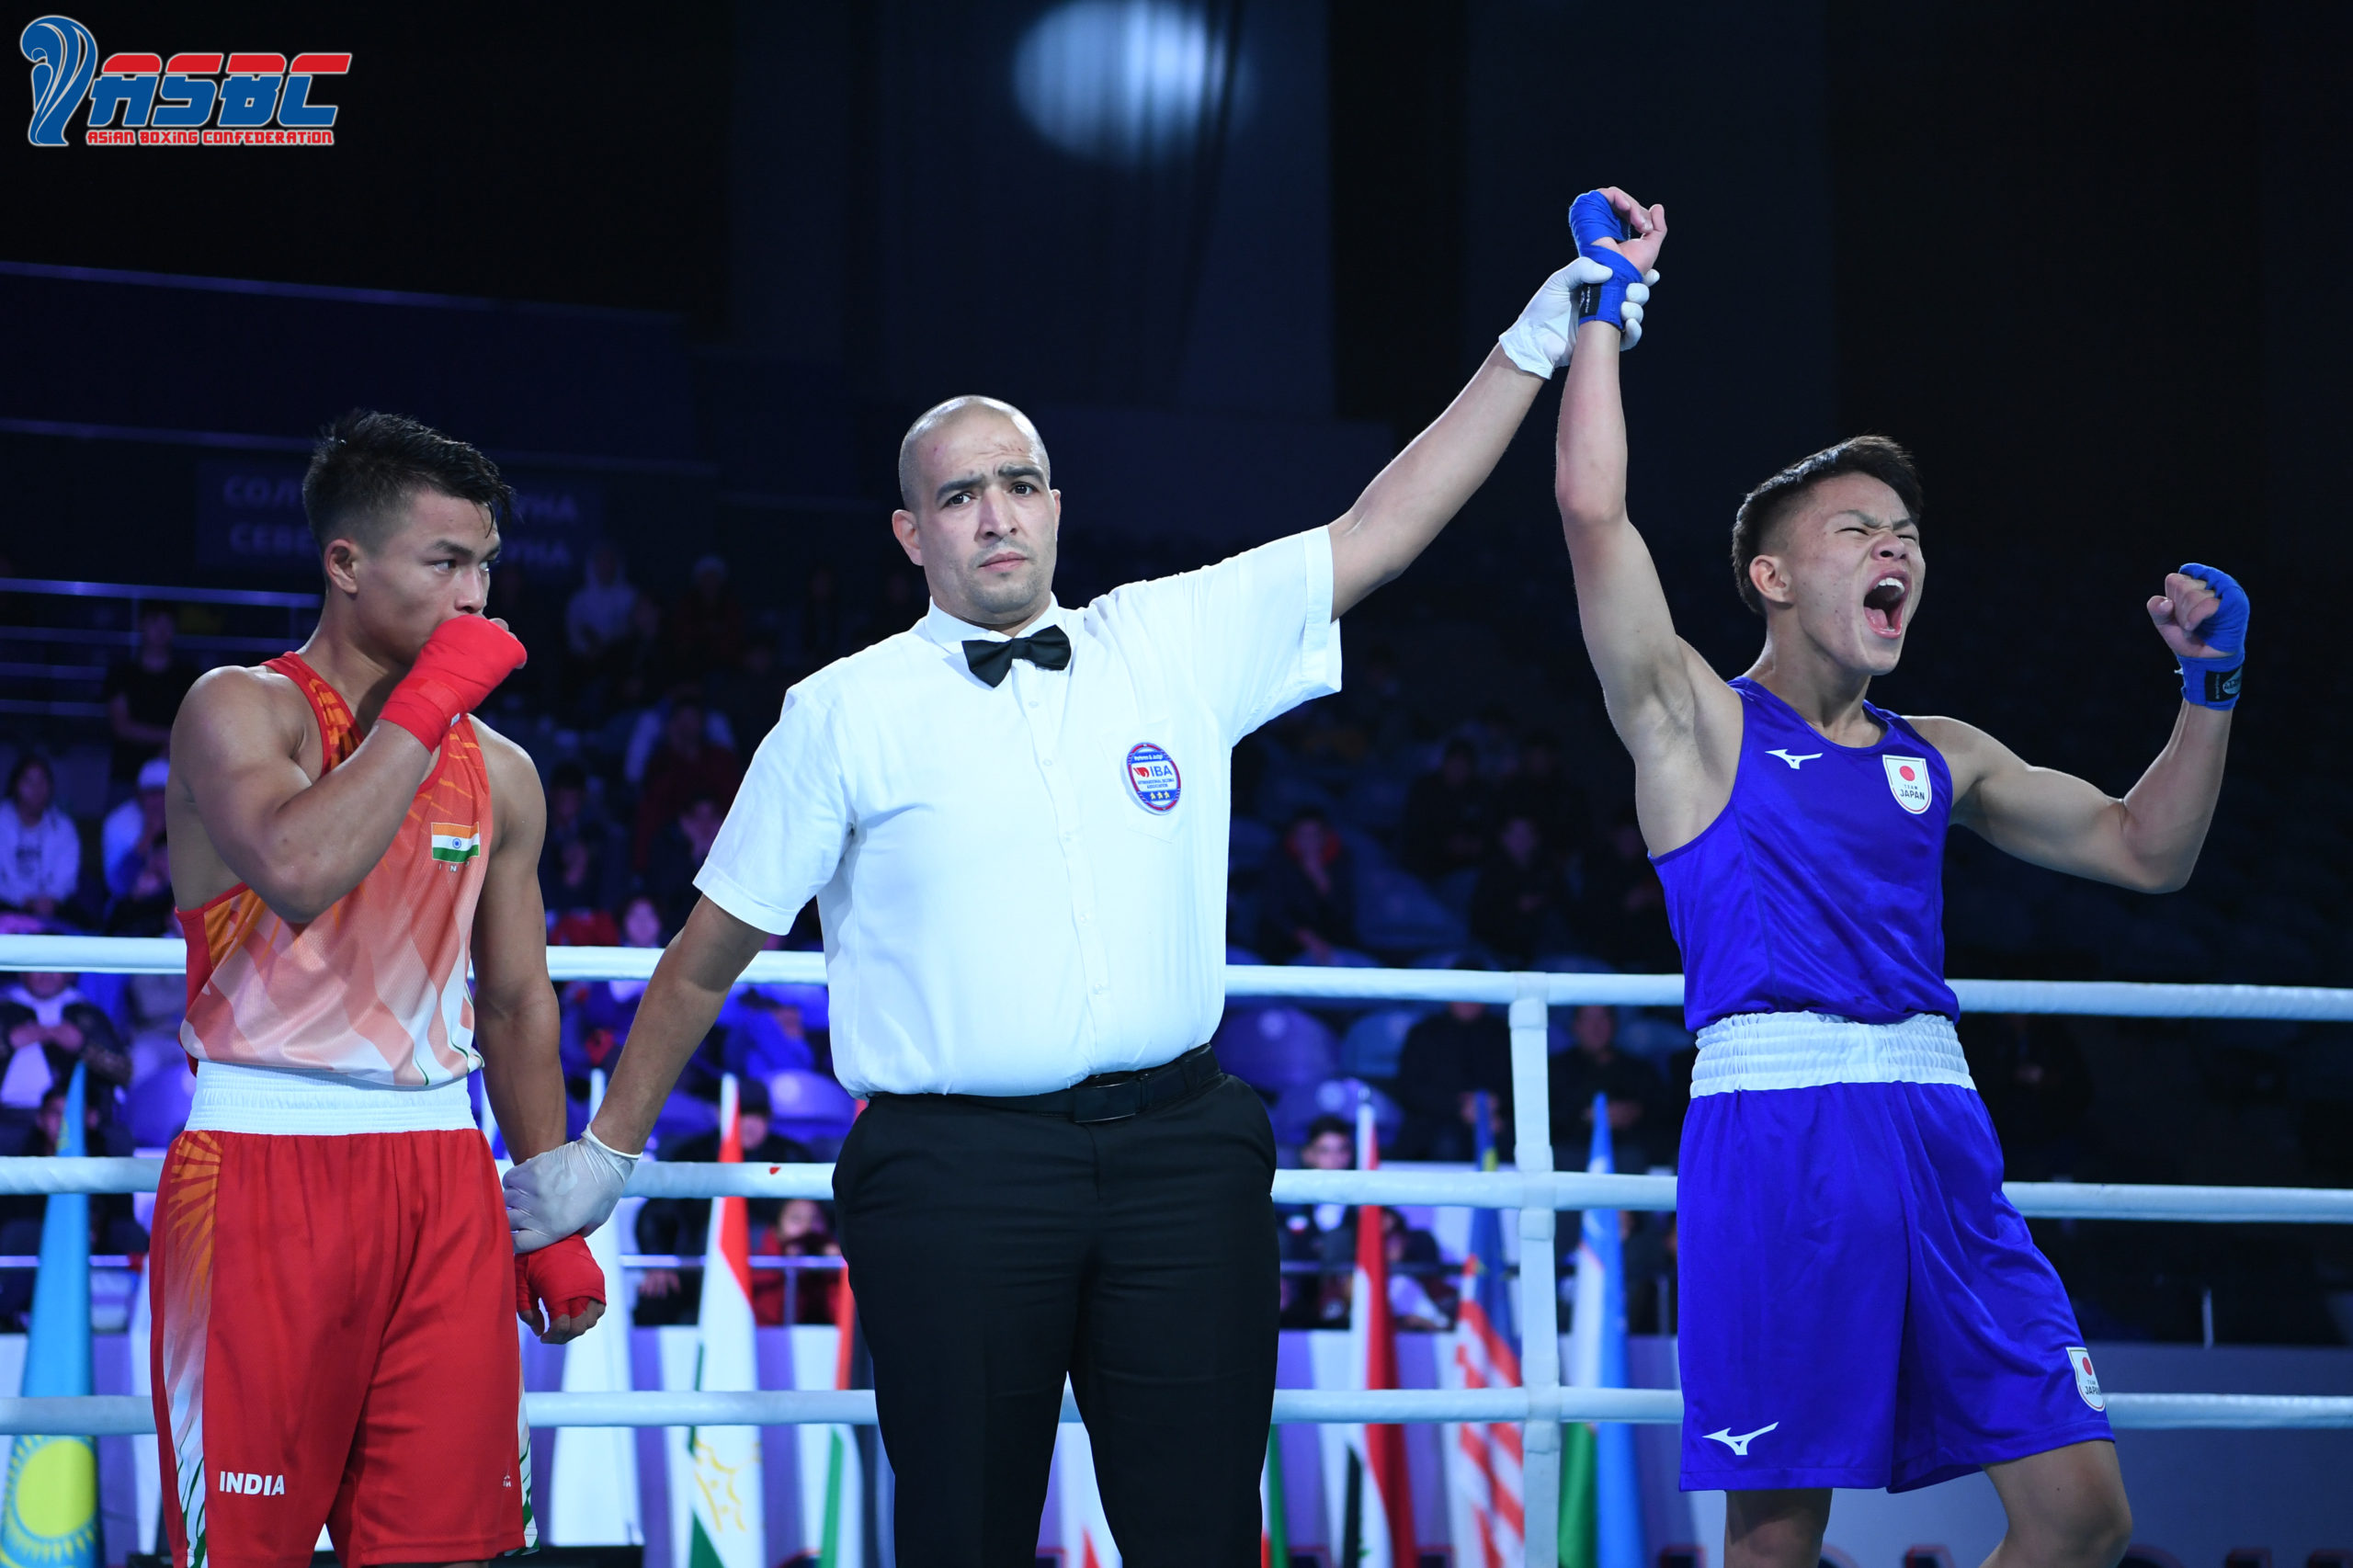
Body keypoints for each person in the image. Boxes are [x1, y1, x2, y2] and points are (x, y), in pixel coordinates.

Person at [505, 234, 1654, 1565]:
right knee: (962, 1532)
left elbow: (1384, 526)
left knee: (1203, 1531)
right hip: (952, 1174)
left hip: (1182, 1153)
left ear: (1057, 503)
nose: (995, 512)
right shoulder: (839, 714)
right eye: (960, 494)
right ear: (911, 530)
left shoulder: (1169, 637)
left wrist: (1532, 337)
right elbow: (705, 958)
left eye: (1019, 483)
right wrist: (610, 1149)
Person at [1553, 185, 2234, 1564]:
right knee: (1777, 1536)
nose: (1897, 547)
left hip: (1943, 1128)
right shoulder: (1699, 723)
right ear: (1769, 575)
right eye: (1859, 528)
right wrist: (1604, 310)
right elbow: (1590, 508)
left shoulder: (1946, 752)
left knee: (2080, 1512)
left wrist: (2208, 688)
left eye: (1908, 534)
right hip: (1781, 1131)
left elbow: (2144, 850)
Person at [153, 409, 606, 1568]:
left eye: (489, 563)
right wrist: (427, 703)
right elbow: (299, 869)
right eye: (445, 561)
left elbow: (513, 1003)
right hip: (263, 1165)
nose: (477, 593)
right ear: (343, 563)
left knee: (449, 1548)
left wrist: (547, 1197)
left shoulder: (501, 771)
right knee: (243, 1550)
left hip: (443, 1177)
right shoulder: (240, 708)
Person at [0, 971, 132, 1157]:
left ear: (70, 973)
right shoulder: (4, 1011)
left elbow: (124, 1072)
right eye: (38, 967)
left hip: (75, 1117)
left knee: (118, 1141)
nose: (46, 975)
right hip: (8, 1116)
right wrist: (7, 1043)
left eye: (54, 968)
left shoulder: (88, 1014)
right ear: (22, 972)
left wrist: (83, 1046)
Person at [1391, 987, 1513, 1162]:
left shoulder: (1504, 1034)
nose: (1469, 1003)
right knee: (1444, 1143)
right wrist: (1459, 1107)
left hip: (1496, 1118)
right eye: (1463, 996)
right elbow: (1408, 1088)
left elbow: (1524, 1086)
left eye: (1475, 996)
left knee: (1518, 1142)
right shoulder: (1425, 1032)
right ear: (1449, 998)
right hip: (1434, 1120)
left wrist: (1496, 1102)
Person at [1546, 1003, 1667, 1171]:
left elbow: (1662, 1114)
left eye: (1603, 1018)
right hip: (1571, 1155)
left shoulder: (1639, 1070)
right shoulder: (1555, 1069)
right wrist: (1587, 1116)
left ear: (1615, 1024)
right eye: (1588, 1019)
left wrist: (1634, 1113)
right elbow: (1546, 1118)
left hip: (1629, 1157)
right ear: (1575, 1026)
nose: (1596, 1027)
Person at [103, 605, 199, 790]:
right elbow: (122, 727)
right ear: (141, 625)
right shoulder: (121, 674)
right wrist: (168, 736)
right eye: (155, 622)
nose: (161, 630)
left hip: (174, 774)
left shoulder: (188, 676)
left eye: (167, 623)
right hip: (127, 773)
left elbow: (195, 726)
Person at [1255, 807, 1358, 962]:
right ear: (1293, 837)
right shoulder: (1277, 860)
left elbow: (1345, 914)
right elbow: (1274, 910)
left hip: (1332, 938)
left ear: (1325, 837)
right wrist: (1305, 938)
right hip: (1286, 940)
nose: (1309, 841)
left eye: (1314, 835)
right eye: (1303, 835)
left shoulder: (1342, 861)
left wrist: (1322, 881)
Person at [1400, 737, 1495, 881]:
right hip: (1426, 862)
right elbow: (1414, 829)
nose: (1458, 769)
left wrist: (1476, 843)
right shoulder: (1424, 787)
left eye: (1464, 765)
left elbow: (1488, 825)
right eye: (1454, 763)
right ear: (1444, 763)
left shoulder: (1480, 791)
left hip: (1464, 864)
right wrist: (1445, 843)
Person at [0, 756, 81, 922]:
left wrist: (52, 898)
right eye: (29, 782)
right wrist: (25, 900)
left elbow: (67, 876)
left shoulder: (63, 826)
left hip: (52, 906)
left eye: (42, 781)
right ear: (15, 785)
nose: (36, 789)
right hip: (7, 903)